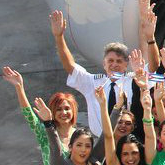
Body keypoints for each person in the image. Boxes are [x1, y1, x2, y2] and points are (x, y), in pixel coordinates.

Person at [50, 9, 143, 138]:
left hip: (128, 142)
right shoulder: (92, 82)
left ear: (126, 65)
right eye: (110, 61)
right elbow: (70, 66)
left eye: (119, 61)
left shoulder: (133, 81)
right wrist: (59, 37)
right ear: (103, 63)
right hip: (99, 142)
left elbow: (154, 71)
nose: (114, 64)